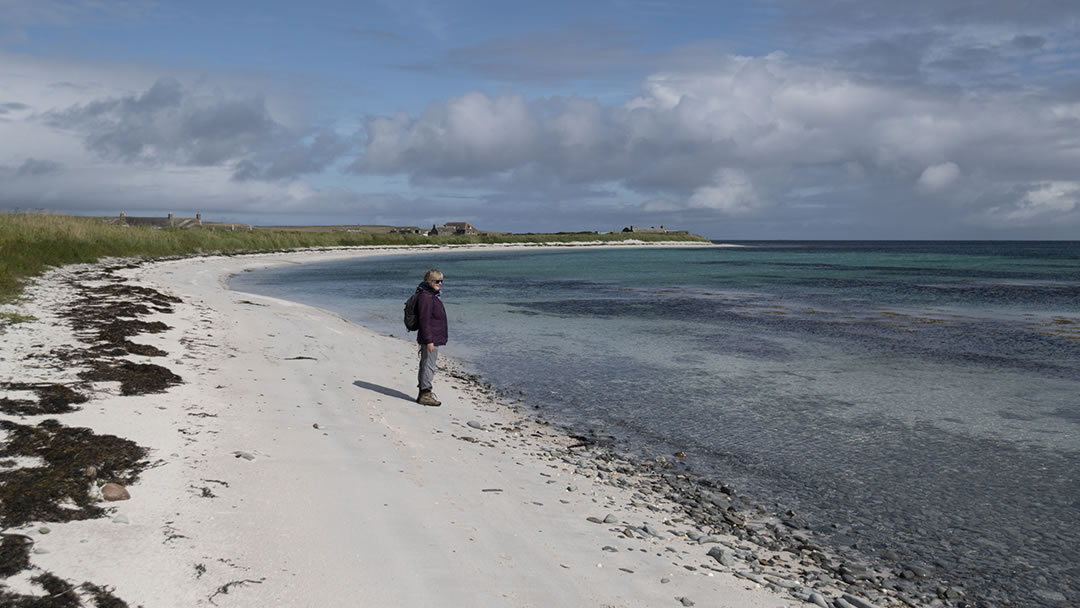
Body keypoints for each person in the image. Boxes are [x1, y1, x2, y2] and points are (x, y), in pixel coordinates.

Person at [415, 269, 447, 406]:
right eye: (436, 281)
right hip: (430, 338)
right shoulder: (426, 297)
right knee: (429, 365)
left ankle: (424, 392)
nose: (440, 284)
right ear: (429, 282)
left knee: (427, 364)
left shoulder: (430, 295)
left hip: (432, 337)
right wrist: (429, 340)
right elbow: (424, 320)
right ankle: (425, 394)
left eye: (441, 281)